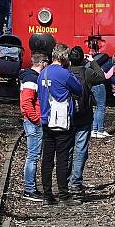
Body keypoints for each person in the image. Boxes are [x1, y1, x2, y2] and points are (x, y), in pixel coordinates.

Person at [38, 43, 83, 206]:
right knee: (62, 158)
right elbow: (79, 89)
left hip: (46, 119)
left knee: (47, 158)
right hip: (63, 120)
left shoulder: (43, 73)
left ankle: (47, 195)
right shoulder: (65, 74)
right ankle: (63, 194)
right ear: (64, 57)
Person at [67, 46, 105, 193]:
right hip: (84, 115)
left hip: (68, 116)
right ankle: (76, 182)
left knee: (67, 149)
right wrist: (93, 61)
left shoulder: (65, 72)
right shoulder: (87, 72)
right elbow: (101, 76)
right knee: (81, 149)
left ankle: (66, 179)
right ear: (83, 58)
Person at [19, 52, 48, 201]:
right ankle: (29, 189)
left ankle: (31, 188)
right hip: (33, 122)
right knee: (33, 156)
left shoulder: (28, 76)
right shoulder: (31, 78)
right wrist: (37, 119)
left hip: (32, 120)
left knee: (33, 156)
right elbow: (26, 102)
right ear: (42, 63)